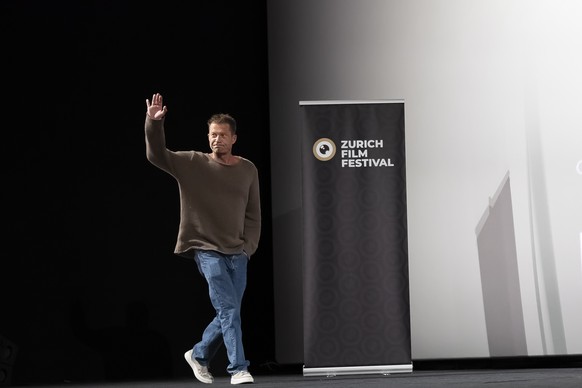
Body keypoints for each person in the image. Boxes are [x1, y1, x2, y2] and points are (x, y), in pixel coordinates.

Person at [144, 93, 261, 385]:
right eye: (212, 134)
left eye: (222, 135)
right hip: (205, 248)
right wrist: (153, 124)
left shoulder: (247, 169)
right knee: (229, 309)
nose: (216, 139)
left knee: (229, 311)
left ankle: (199, 353)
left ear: (234, 138)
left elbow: (253, 214)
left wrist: (248, 248)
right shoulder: (193, 163)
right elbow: (157, 155)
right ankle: (238, 368)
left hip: (238, 250)